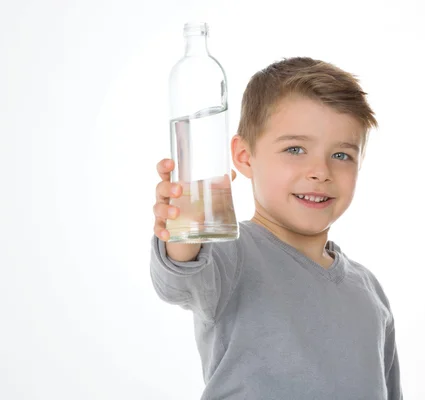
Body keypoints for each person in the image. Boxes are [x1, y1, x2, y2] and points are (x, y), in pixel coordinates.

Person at [150, 56, 403, 399]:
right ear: (244, 156)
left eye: (341, 155)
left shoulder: (369, 292)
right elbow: (180, 278)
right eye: (295, 149)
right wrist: (184, 229)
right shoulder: (231, 253)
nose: (320, 171)